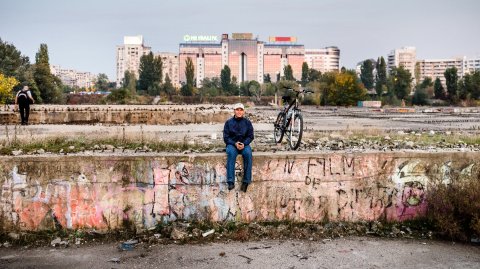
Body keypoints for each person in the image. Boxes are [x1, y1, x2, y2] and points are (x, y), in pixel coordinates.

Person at [223, 103, 254, 192]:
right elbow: (226, 137)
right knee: (231, 154)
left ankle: (246, 182)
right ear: (234, 111)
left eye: (241, 110)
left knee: (248, 154)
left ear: (243, 111)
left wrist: (244, 144)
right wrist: (234, 143)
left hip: (244, 145)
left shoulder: (247, 123)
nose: (239, 111)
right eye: (237, 110)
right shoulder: (228, 123)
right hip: (232, 145)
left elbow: (251, 136)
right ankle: (230, 182)